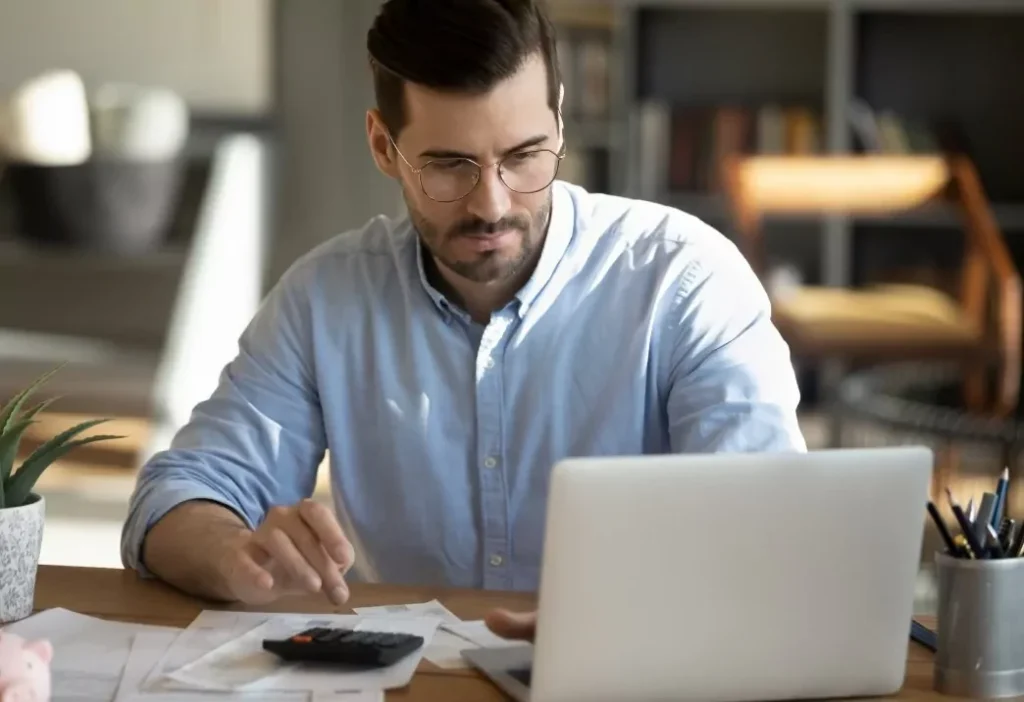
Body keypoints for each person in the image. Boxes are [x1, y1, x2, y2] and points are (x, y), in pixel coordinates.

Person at [120, 0, 806, 630]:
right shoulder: (324, 298)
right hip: (406, 680)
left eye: (524, 156)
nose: (492, 205)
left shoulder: (684, 281)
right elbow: (176, 496)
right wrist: (236, 553)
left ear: (560, 122)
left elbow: (768, 528)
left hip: (639, 675)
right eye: (450, 166)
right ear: (384, 147)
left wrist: (619, 625)